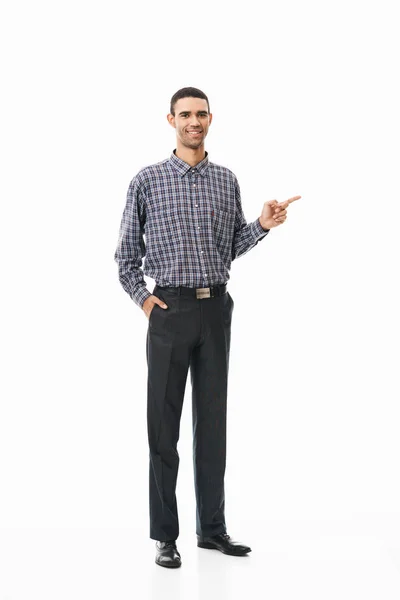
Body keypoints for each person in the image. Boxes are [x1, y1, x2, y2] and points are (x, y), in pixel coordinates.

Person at [114, 87, 300, 568]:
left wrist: (261, 223)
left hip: (216, 309)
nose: (193, 122)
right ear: (170, 120)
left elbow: (231, 245)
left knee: (212, 424)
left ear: (211, 119)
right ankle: (165, 537)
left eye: (201, 114)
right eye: (185, 115)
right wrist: (146, 303)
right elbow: (125, 257)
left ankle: (212, 530)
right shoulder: (147, 181)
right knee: (163, 428)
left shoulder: (225, 180)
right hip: (169, 312)